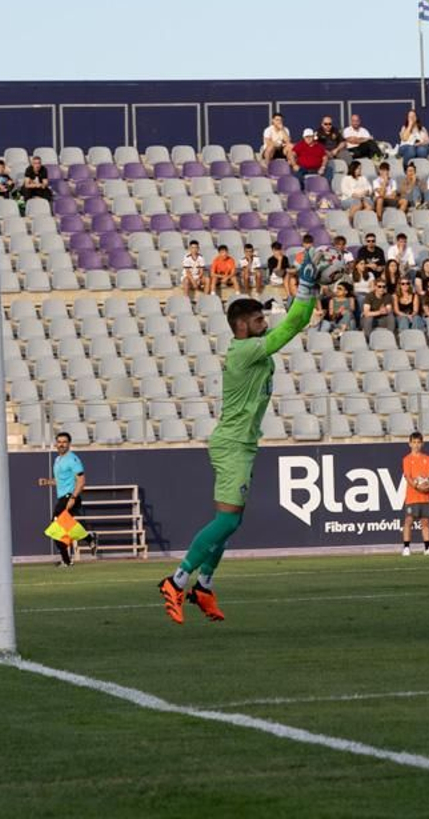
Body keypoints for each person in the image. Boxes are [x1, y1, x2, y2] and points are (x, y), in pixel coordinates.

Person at [158, 251, 325, 624]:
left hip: (241, 444)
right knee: (228, 522)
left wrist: (310, 291)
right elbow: (294, 324)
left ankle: (203, 586)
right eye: (258, 319)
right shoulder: (245, 351)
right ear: (242, 327)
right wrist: (308, 287)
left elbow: (291, 325)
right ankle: (176, 580)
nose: (265, 323)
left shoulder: (252, 350)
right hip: (233, 444)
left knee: (231, 521)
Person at [44, 432, 85, 568]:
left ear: (69, 444)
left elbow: (81, 480)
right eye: (59, 442)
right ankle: (68, 559)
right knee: (61, 529)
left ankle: (67, 560)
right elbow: (61, 481)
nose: (61, 444)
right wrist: (47, 482)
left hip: (69, 497)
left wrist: (73, 497)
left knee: (54, 528)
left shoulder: (72, 459)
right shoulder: (57, 460)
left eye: (64, 442)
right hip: (62, 497)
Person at [400, 433, 429, 556]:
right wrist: (418, 486)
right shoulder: (407, 459)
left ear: (422, 444)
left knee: (425, 522)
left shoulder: (427, 459)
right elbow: (408, 477)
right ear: (410, 443)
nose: (416, 445)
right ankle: (406, 548)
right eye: (414, 442)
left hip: (425, 496)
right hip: (412, 497)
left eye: (418, 442)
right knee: (408, 521)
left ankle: (427, 548)